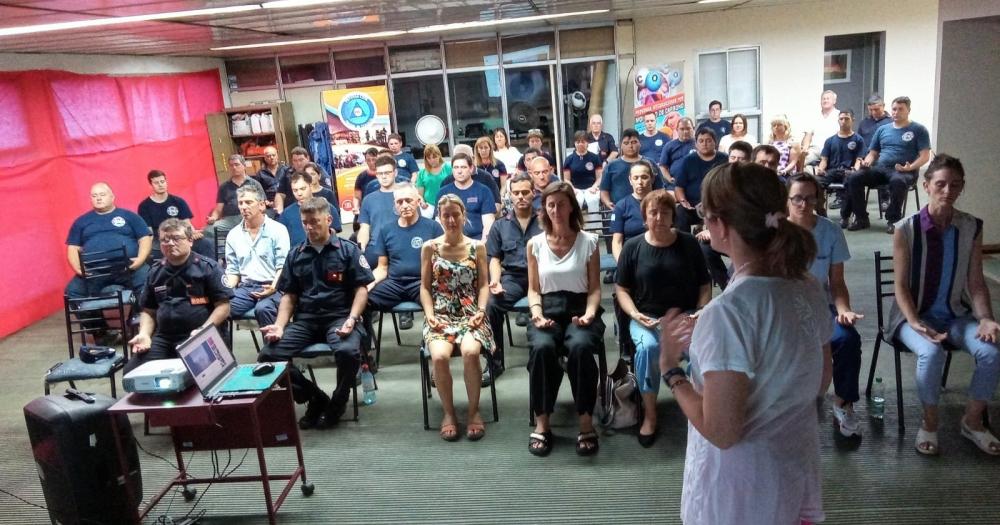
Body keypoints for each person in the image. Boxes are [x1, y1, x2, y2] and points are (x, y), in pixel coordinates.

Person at [659, 161, 832, 525]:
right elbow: (817, 380)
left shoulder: (727, 313)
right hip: (791, 463)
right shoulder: (807, 287)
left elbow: (722, 432)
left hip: (741, 490)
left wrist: (672, 371)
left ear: (719, 224)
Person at [890, 154, 1000, 456]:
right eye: (941, 184)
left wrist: (987, 319)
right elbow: (900, 285)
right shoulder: (906, 229)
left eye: (955, 185)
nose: (947, 191)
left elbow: (976, 282)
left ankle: (973, 421)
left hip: (954, 314)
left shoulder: (971, 227)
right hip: (911, 315)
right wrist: (914, 321)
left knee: (991, 352)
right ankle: (930, 422)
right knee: (931, 351)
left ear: (962, 188)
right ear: (926, 186)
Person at [260, 197, 373, 430]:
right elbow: (289, 296)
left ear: (328, 220)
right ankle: (315, 397)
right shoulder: (296, 254)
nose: (310, 227)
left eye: (315, 222)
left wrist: (352, 319)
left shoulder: (347, 251)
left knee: (348, 352)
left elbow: (361, 290)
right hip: (307, 321)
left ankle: (338, 402)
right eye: (305, 223)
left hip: (340, 317)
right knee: (268, 356)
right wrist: (280, 326)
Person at [615, 189, 710, 447]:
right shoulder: (633, 247)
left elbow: (704, 284)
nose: (658, 217)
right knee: (648, 349)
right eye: (653, 212)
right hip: (647, 318)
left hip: (686, 316)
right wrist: (634, 313)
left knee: (700, 350)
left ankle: (702, 411)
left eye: (664, 212)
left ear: (673, 216)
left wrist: (701, 311)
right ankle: (650, 414)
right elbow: (621, 289)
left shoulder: (689, 243)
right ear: (645, 217)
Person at [526, 182, 605, 457]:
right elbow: (534, 289)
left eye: (561, 203)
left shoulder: (589, 242)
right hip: (546, 308)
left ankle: (585, 421)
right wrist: (536, 315)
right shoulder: (535, 244)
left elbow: (595, 289)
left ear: (571, 206)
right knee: (542, 348)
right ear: (544, 209)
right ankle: (542, 422)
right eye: (550, 204)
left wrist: (589, 314)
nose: (555, 209)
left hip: (581, 307)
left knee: (581, 347)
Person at [787, 173, 864, 438]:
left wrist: (843, 310)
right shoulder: (775, 232)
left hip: (823, 306)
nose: (803, 204)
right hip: (786, 308)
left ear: (819, 200)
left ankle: (843, 402)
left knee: (848, 339)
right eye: (797, 198)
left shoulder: (830, 231)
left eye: (809, 198)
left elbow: (837, 283)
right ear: (787, 201)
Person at [419, 193, 494, 441]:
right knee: (439, 356)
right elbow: (425, 288)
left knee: (471, 352)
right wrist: (429, 315)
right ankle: (449, 413)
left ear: (464, 216)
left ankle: (473, 412)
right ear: (439, 218)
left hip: (472, 312)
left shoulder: (477, 247)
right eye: (446, 215)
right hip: (440, 313)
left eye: (455, 215)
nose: (451, 220)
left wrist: (481, 311)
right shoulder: (430, 248)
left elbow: (484, 286)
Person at [126, 219, 232, 374]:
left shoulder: (208, 268)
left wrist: (203, 330)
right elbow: (148, 310)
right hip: (164, 337)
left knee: (200, 376)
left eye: (176, 238)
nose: (169, 243)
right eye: (164, 240)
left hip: (199, 334)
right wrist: (144, 334)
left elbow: (223, 306)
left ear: (190, 241)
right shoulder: (155, 272)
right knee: (133, 372)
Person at [485, 174, 543, 385]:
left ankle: (552, 356)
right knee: (491, 304)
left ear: (533, 193)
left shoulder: (545, 222)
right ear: (510, 195)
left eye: (525, 192)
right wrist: (495, 281)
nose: (520, 197)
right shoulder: (500, 225)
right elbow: (494, 258)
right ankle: (495, 361)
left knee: (558, 300)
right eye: (516, 193)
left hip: (543, 277)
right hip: (514, 278)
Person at [844, 96, 932, 234]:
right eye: (894, 109)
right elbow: (873, 153)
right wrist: (867, 162)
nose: (896, 112)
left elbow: (925, 156)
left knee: (898, 181)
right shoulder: (883, 129)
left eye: (900, 109)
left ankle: (893, 220)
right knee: (855, 177)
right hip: (881, 169)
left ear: (909, 110)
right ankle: (861, 218)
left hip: (904, 171)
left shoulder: (919, 129)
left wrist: (911, 167)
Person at [367, 183, 442, 331]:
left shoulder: (433, 227)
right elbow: (382, 267)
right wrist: (368, 284)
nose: (405, 205)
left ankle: (432, 343)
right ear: (395, 205)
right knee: (362, 298)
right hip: (394, 284)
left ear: (418, 201)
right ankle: (364, 350)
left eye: (409, 200)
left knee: (441, 300)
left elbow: (442, 263)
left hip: (422, 283)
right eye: (400, 202)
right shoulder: (386, 230)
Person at [66, 182, 153, 299]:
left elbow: (145, 239)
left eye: (102, 194)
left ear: (112, 197)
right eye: (94, 196)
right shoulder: (81, 221)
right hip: (94, 271)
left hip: (129, 268)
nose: (98, 198)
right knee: (73, 291)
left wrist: (140, 259)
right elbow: (73, 247)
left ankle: (139, 315)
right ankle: (97, 317)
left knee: (148, 282)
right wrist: (77, 268)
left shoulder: (130, 216)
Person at [224, 184, 289, 327]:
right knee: (220, 311)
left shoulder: (278, 230)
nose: (243, 207)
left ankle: (273, 349)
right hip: (246, 287)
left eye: (249, 202)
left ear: (261, 205)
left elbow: (282, 265)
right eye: (240, 203)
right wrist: (224, 293)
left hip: (273, 285)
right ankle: (222, 349)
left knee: (263, 309)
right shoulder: (233, 235)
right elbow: (233, 271)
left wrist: (273, 286)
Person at [137, 169, 212, 260]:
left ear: (166, 182)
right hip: (160, 240)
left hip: (180, 235)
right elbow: (149, 233)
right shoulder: (144, 206)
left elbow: (187, 224)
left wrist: (192, 233)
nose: (160, 185)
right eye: (156, 183)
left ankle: (208, 271)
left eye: (162, 181)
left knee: (206, 243)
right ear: (151, 186)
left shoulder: (178, 201)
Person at [206, 154, 266, 244]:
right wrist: (213, 217)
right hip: (231, 220)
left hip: (251, 217)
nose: (234, 167)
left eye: (237, 164)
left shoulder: (255, 184)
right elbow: (218, 209)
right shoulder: (224, 187)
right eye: (231, 165)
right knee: (208, 230)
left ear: (244, 166)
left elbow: (263, 206)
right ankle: (224, 253)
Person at [437, 153, 497, 241]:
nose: (459, 171)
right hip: (450, 242)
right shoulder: (443, 192)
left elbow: (488, 223)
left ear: (471, 168)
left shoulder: (484, 191)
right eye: (456, 167)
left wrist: (482, 246)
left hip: (477, 240)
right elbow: (439, 222)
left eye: (463, 167)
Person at [599, 128, 664, 210]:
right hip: (618, 210)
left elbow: (660, 189)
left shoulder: (650, 163)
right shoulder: (611, 166)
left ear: (640, 144)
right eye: (626, 143)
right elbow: (604, 190)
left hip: (646, 209)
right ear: (621, 145)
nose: (630, 146)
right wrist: (608, 203)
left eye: (634, 142)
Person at [357, 155, 404, 266]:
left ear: (395, 173)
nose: (384, 177)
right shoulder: (369, 199)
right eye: (380, 174)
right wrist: (361, 247)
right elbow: (364, 228)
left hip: (401, 245)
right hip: (375, 247)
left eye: (387, 173)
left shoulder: (406, 196)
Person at [817, 110, 864, 212]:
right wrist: (821, 169)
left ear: (852, 120)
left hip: (848, 172)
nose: (843, 121)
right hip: (832, 171)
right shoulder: (830, 140)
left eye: (846, 119)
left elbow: (859, 159)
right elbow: (824, 159)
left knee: (852, 182)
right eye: (841, 119)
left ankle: (845, 216)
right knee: (816, 182)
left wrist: (855, 170)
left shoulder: (858, 139)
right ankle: (820, 212)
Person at [278, 172, 342, 246]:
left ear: (311, 186)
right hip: (298, 254)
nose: (299, 193)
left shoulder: (326, 207)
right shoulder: (286, 214)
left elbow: (334, 233)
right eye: (295, 190)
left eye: (302, 189)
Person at [610, 160, 656, 261]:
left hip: (658, 256)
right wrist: (622, 265)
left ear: (652, 179)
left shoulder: (662, 204)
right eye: (636, 178)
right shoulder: (621, 206)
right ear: (630, 180)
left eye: (644, 177)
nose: (640, 182)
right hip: (632, 258)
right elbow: (617, 242)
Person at [275, 147, 331, 213]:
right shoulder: (287, 172)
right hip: (292, 210)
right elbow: (280, 194)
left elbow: (325, 191)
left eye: (301, 160)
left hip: (315, 209)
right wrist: (280, 210)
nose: (298, 164)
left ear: (308, 158)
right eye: (295, 161)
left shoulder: (316, 171)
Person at [562, 130, 603, 213]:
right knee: (576, 201)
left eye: (583, 142)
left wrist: (594, 187)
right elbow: (566, 179)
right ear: (574, 143)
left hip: (591, 188)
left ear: (587, 143)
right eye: (578, 142)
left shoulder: (595, 158)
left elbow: (600, 177)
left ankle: (595, 225)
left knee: (593, 200)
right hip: (575, 189)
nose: (580, 144)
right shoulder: (569, 159)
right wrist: (572, 189)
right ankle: (577, 225)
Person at [802, 90, 841, 166]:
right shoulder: (814, 116)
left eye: (828, 98)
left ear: (834, 101)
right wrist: (805, 148)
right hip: (815, 149)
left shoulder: (839, 115)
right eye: (823, 99)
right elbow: (808, 134)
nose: (825, 100)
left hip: (832, 149)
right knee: (801, 161)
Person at [658, 116, 695, 186]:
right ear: (677, 130)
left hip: (695, 183)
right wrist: (669, 179)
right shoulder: (669, 146)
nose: (685, 131)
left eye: (688, 128)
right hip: (674, 184)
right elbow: (663, 166)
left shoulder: (699, 144)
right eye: (682, 129)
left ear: (693, 129)